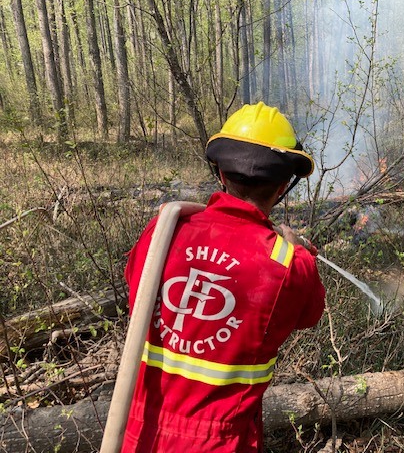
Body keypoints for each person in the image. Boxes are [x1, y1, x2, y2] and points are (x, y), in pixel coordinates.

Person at [122, 102, 326, 452]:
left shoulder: (163, 230)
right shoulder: (289, 263)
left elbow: (135, 290)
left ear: (220, 174)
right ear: (281, 188)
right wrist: (302, 253)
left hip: (139, 433)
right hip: (222, 444)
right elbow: (309, 316)